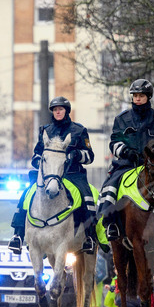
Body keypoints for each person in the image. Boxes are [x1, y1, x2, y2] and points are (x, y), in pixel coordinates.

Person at [9, 96, 98, 254]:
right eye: (55, 110)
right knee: (26, 194)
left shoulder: (79, 130)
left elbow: (90, 156)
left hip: (72, 174)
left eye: (60, 109)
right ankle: (18, 236)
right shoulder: (45, 130)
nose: (57, 112)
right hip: (48, 175)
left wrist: (76, 154)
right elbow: (36, 154)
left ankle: (90, 237)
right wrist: (39, 162)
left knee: (87, 196)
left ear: (67, 111)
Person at [97, 79, 154, 242]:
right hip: (127, 165)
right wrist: (126, 152)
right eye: (135, 95)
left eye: (141, 95)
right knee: (111, 186)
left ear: (148, 97)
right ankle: (110, 223)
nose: (137, 99)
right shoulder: (122, 119)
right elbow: (114, 143)